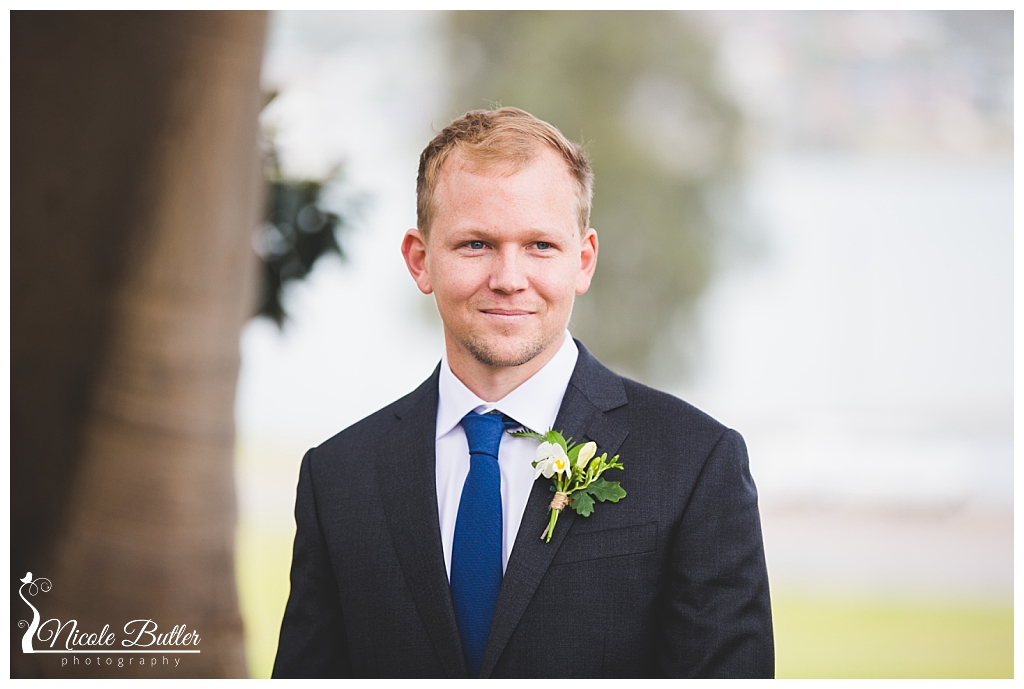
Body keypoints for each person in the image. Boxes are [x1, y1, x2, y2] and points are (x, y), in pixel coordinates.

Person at [272, 107, 774, 678]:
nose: (509, 279)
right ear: (420, 260)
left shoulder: (695, 463)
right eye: (476, 244)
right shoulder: (338, 477)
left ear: (583, 261)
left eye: (539, 245)